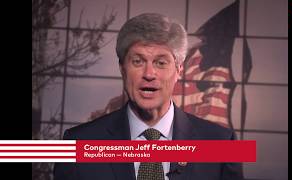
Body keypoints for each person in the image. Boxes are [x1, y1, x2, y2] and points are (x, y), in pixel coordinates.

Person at [54, 13, 243, 180]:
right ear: (122, 68)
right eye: (138, 61)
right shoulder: (78, 144)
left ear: (179, 70)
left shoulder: (222, 145)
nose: (149, 73)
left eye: (161, 63)